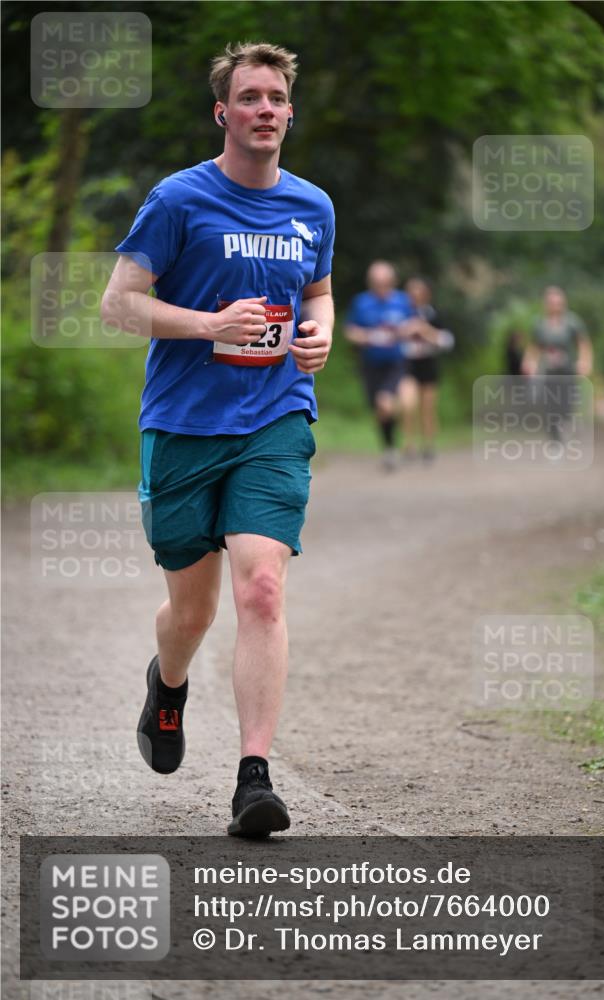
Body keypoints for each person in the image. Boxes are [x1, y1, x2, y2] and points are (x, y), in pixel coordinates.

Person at [101, 42, 335, 836]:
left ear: (289, 112)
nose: (265, 109)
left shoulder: (313, 206)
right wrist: (206, 324)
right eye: (250, 97)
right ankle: (168, 686)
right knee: (190, 613)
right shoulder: (177, 200)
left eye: (276, 97)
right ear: (223, 113)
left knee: (261, 588)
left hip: (274, 416)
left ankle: (253, 780)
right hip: (181, 423)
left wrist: (320, 336)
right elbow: (119, 304)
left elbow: (319, 291)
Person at [344, 261, 413, 470]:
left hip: (395, 362)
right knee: (379, 410)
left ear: (392, 282)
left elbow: (414, 324)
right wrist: (367, 336)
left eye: (385, 282)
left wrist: (403, 331)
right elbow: (350, 331)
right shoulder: (361, 302)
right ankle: (389, 447)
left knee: (385, 402)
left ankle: (394, 443)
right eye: (376, 282)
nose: (381, 285)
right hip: (370, 364)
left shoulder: (402, 301)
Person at [522, 286, 592, 440]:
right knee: (549, 403)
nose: (555, 306)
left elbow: (583, 344)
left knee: (566, 402)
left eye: (557, 302)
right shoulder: (539, 323)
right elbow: (534, 346)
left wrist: (584, 361)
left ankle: (564, 423)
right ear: (546, 304)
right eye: (551, 302)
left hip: (567, 369)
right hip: (547, 370)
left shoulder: (572, 322)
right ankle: (554, 436)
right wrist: (529, 362)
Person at [400, 277, 454, 462]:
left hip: (429, 365)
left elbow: (447, 341)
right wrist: (406, 330)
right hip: (408, 364)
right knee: (408, 405)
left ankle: (428, 445)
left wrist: (425, 331)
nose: (415, 296)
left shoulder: (433, 315)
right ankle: (408, 445)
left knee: (428, 408)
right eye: (411, 292)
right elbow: (391, 336)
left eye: (419, 292)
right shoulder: (401, 314)